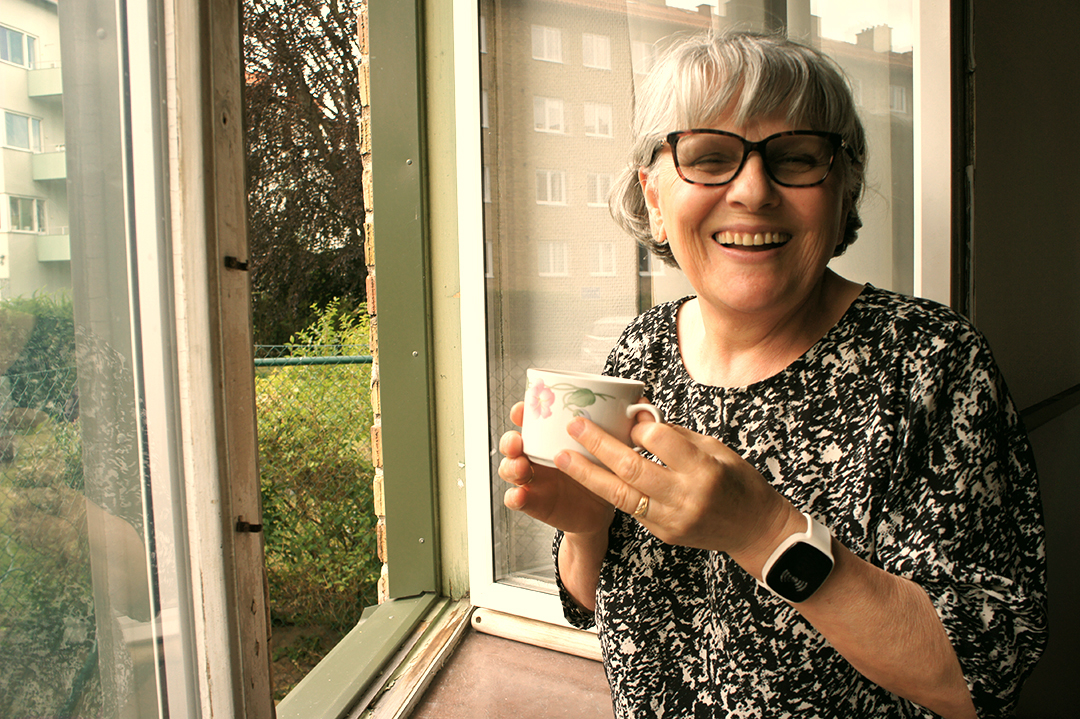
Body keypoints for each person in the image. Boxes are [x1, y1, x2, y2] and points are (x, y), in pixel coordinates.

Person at [498, 30, 1047, 719]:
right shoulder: (640, 354)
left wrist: (765, 530)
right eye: (709, 157)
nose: (753, 191)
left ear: (843, 187)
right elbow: (587, 601)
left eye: (795, 158)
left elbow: (980, 678)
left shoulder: (931, 365)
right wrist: (586, 529)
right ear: (654, 196)